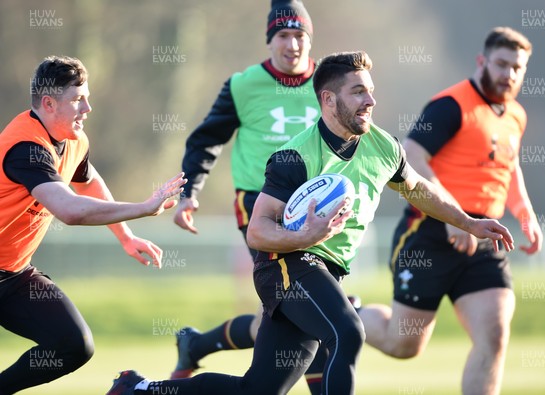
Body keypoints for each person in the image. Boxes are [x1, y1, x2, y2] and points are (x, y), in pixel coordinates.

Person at [107, 51, 514, 395]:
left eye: (370, 90)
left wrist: (468, 221)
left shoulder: (382, 145)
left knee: (259, 389)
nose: (369, 100)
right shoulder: (294, 156)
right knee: (348, 331)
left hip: (325, 270)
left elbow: (418, 189)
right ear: (328, 99)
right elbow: (258, 229)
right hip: (286, 262)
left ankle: (139, 389)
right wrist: (303, 235)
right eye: (358, 92)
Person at [358, 27, 542, 395]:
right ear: (482, 61)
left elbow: (509, 165)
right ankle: (346, 314)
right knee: (404, 344)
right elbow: (411, 155)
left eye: (517, 68)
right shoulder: (451, 106)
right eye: (501, 64)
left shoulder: (515, 115)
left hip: (485, 235)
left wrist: (525, 212)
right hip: (430, 231)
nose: (508, 74)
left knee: (494, 331)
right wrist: (456, 216)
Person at [170, 0, 333, 392]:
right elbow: (206, 139)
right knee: (306, 307)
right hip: (260, 208)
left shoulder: (330, 83)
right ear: (269, 40)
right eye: (283, 35)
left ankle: (197, 344)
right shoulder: (243, 85)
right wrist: (189, 193)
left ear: (310, 40)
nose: (292, 45)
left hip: (319, 207)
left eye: (300, 36)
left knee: (286, 312)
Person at [0, 55, 185, 394]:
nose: (88, 107)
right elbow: (70, 210)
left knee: (73, 344)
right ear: (48, 103)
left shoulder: (72, 139)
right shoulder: (26, 147)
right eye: (77, 99)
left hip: (12, 273)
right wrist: (143, 208)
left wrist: (126, 237)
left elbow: (87, 181)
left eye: (87, 96)